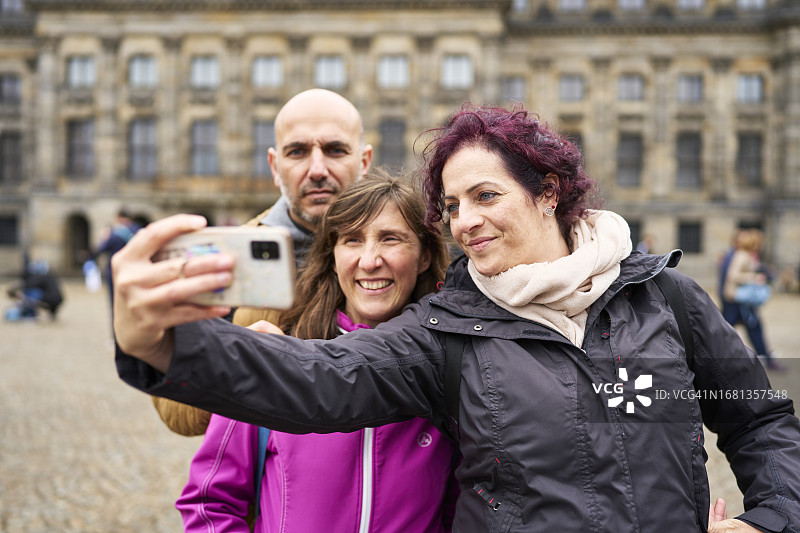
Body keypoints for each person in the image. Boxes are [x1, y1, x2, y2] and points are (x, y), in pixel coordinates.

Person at [113, 104, 800, 533]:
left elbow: (760, 417)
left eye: (485, 195)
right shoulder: (448, 328)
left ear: (547, 193)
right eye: (451, 204)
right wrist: (165, 341)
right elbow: (320, 377)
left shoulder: (664, 296)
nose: (465, 220)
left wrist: (770, 516)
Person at [176, 172, 457, 532]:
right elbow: (209, 503)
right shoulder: (273, 358)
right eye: (352, 240)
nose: (370, 260)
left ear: (423, 256)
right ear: (333, 255)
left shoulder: (449, 370)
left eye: (390, 239)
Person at [152, 88, 373, 436]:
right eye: (297, 152)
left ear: (363, 161)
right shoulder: (225, 258)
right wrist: (234, 363)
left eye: (335, 150)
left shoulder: (406, 253)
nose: (317, 169)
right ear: (274, 166)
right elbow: (174, 412)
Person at [721, 228, 784, 371]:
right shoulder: (741, 255)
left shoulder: (744, 255)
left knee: (743, 328)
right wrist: (754, 277)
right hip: (736, 300)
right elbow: (733, 275)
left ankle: (767, 358)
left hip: (739, 300)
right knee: (727, 329)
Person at [91, 208, 142, 304]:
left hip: (115, 271)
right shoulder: (137, 230)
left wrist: (103, 238)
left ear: (120, 218)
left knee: (115, 301)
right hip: (134, 270)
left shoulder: (114, 234)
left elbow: (100, 249)